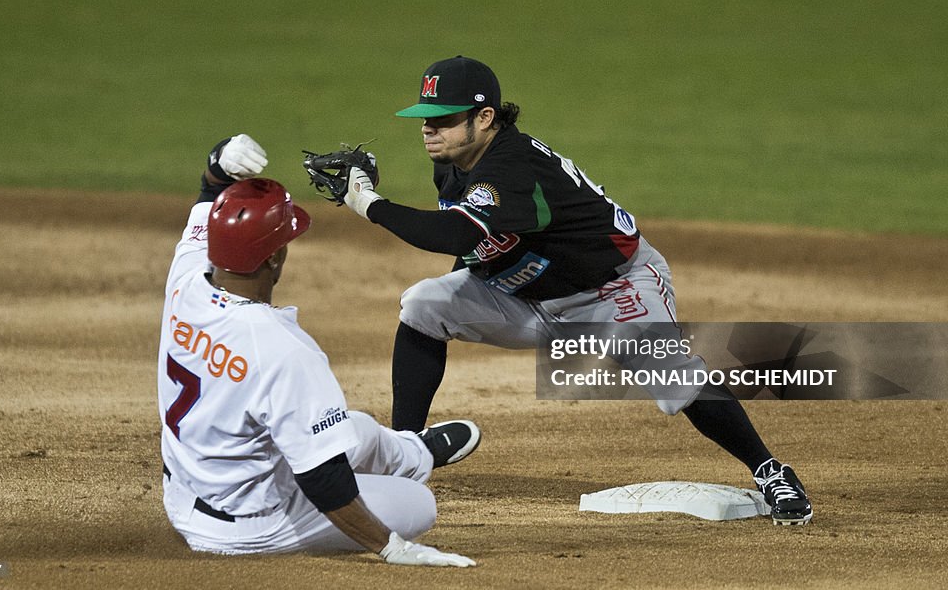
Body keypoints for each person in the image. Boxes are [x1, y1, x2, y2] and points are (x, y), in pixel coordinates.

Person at [337, 56, 813, 525]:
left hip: (611, 290)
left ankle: (771, 472)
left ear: (484, 118)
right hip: (526, 298)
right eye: (424, 119)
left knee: (672, 375)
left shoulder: (513, 166)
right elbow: (477, 246)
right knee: (425, 304)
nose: (428, 130)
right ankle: (404, 452)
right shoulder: (455, 160)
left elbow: (457, 235)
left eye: (443, 119)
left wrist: (366, 201)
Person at [157, 134, 481, 563]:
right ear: (274, 260)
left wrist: (220, 163)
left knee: (353, 428)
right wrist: (391, 547)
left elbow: (208, 194)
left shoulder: (188, 278)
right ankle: (407, 467)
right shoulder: (282, 349)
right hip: (249, 526)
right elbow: (326, 483)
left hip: (184, 493)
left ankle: (413, 451)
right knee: (416, 504)